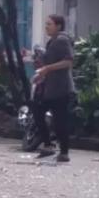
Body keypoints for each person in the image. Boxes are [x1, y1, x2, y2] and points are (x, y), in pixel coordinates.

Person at [33, 15, 75, 163]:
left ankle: (64, 153)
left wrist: (47, 68)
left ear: (58, 26)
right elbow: (48, 66)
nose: (46, 27)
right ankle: (48, 144)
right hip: (50, 87)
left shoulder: (62, 40)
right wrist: (41, 74)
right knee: (37, 111)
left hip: (62, 88)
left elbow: (68, 62)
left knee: (60, 121)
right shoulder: (52, 41)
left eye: (49, 24)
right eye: (46, 24)